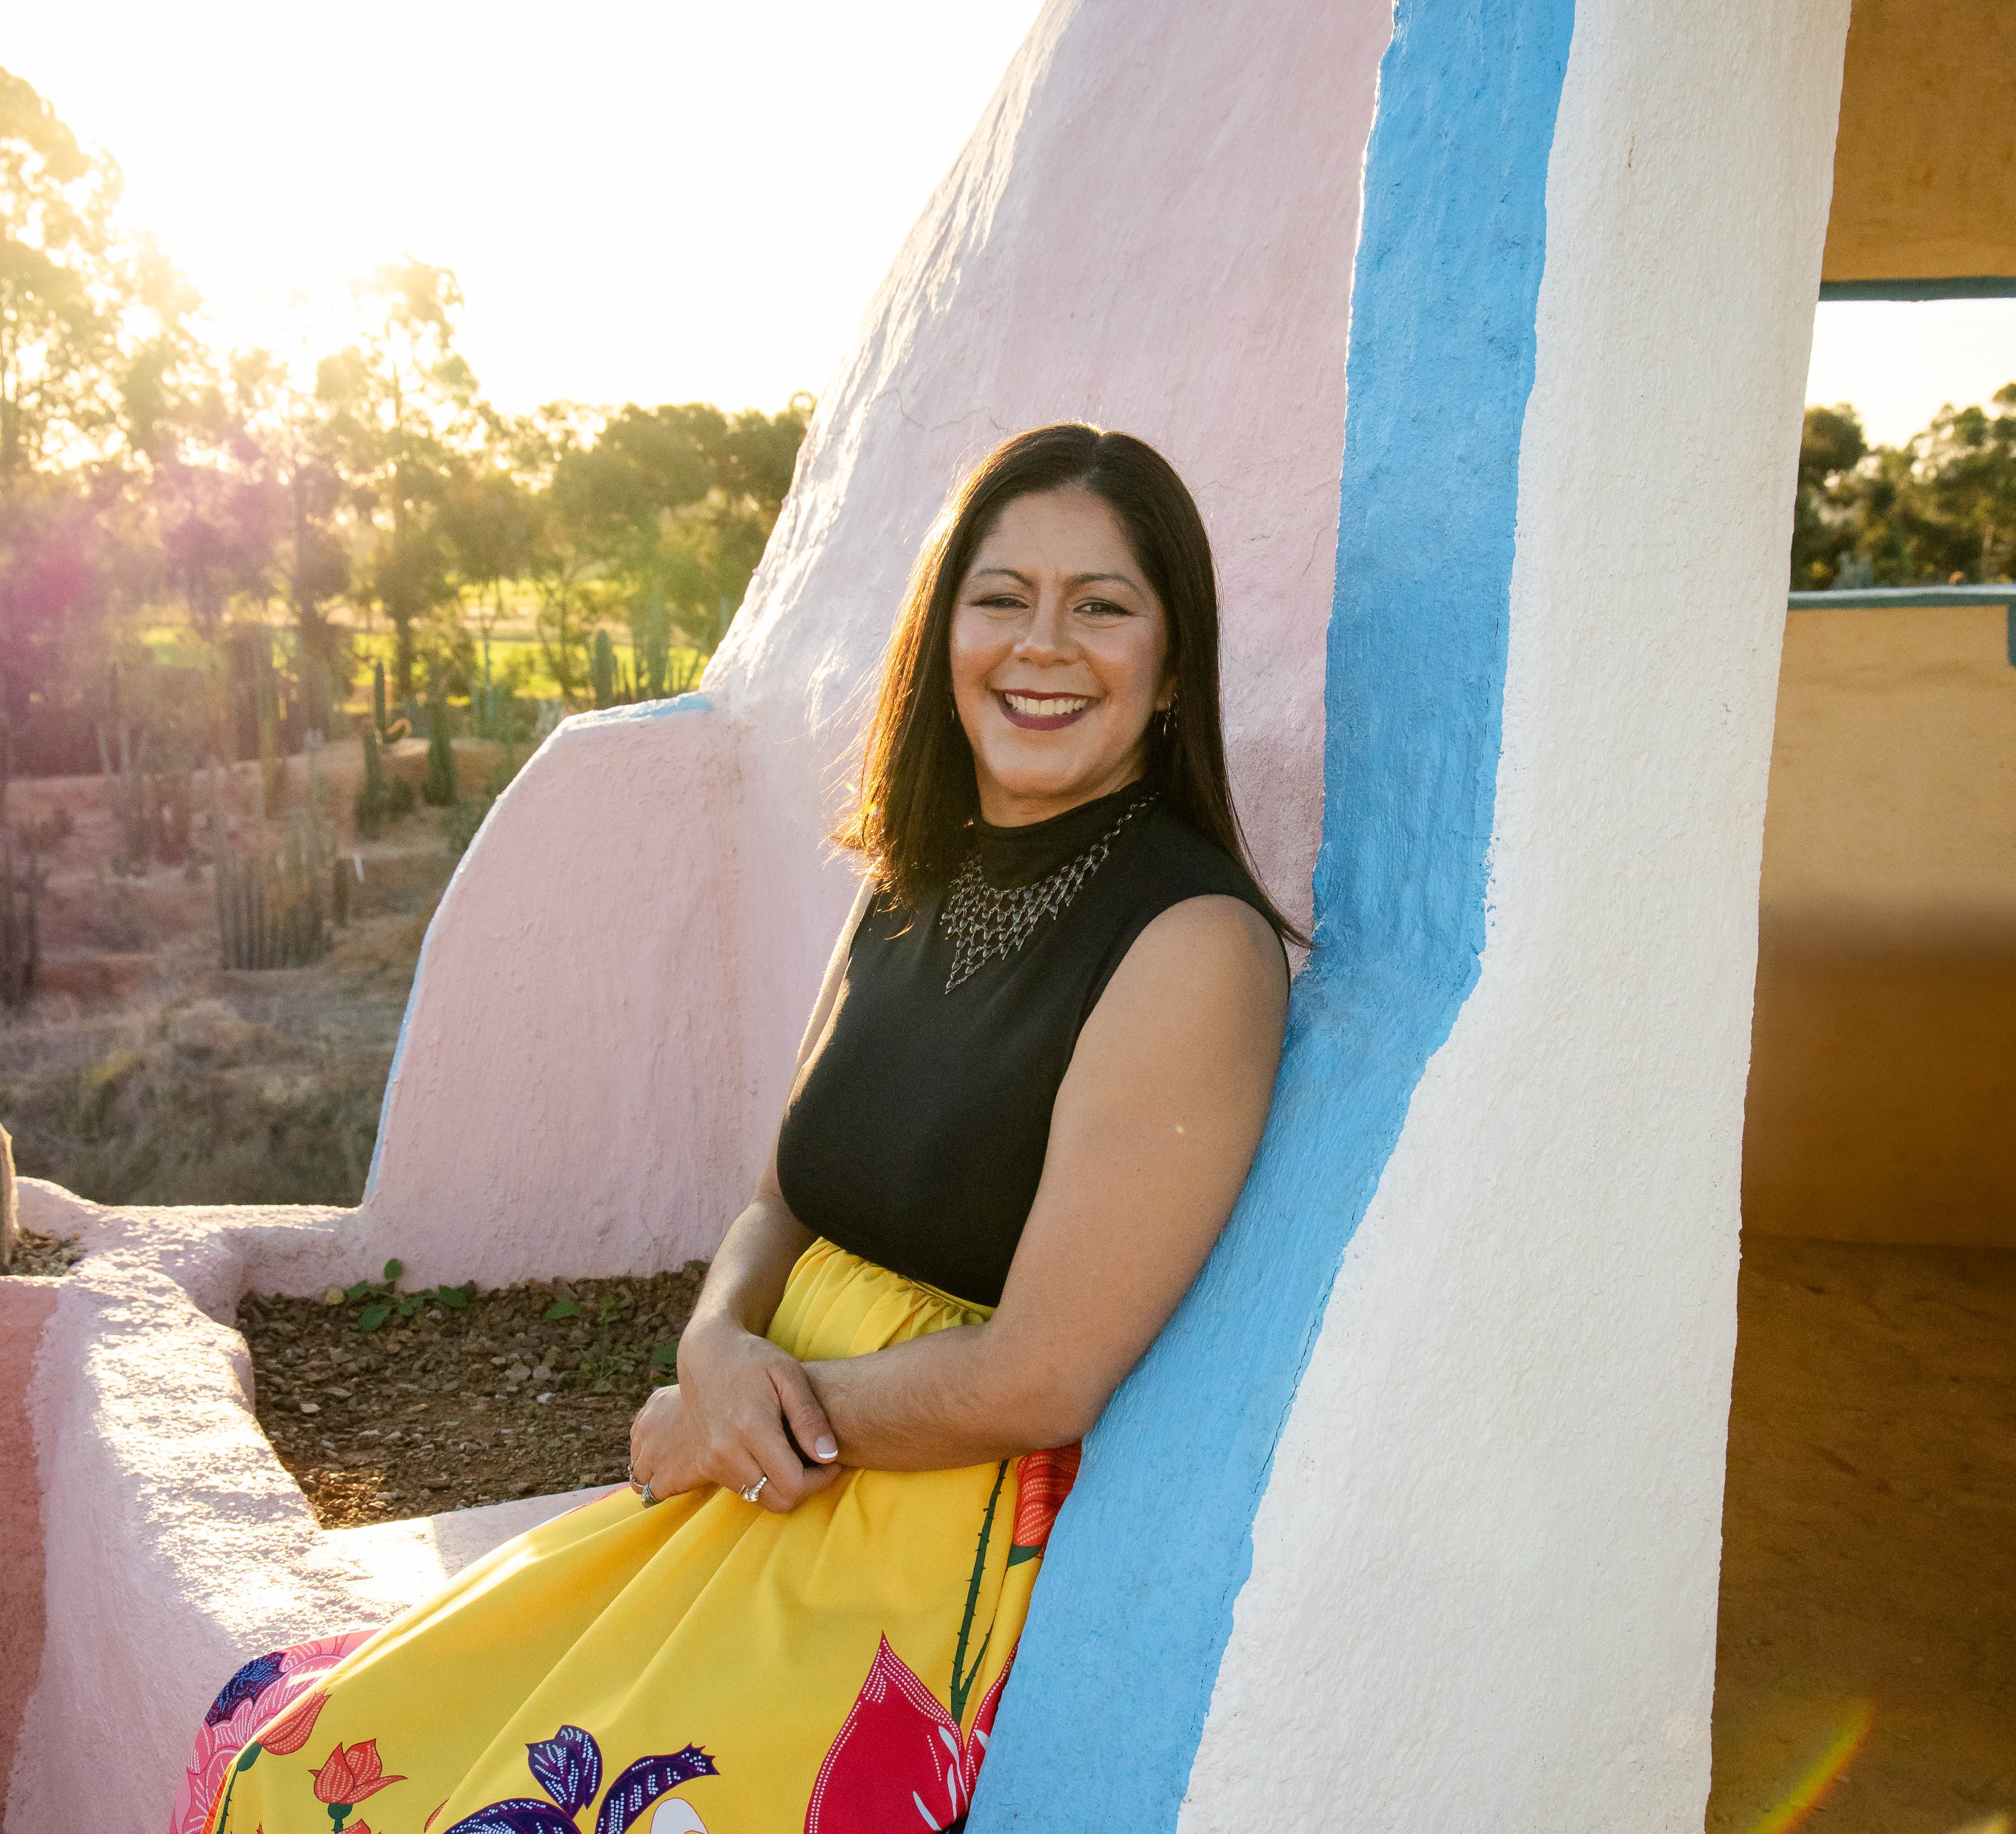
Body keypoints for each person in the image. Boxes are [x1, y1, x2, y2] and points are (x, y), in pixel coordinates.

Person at [179, 424, 1294, 1834]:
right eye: (1002, 597)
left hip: (925, 1551)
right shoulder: (913, 878)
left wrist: (742, 1425)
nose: (1042, 645)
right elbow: (781, 1198)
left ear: (1174, 663)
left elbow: (1043, 1376)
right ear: (944, 635)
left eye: (1104, 605)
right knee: (289, 1757)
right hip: (765, 1484)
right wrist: (711, 1349)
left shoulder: (1192, 944)